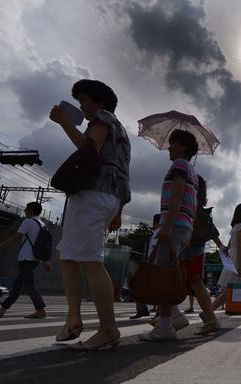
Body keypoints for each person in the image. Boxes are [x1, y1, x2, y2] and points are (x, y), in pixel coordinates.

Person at [48, 79, 131, 351]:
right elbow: (123, 174)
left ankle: (108, 328)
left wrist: (64, 122)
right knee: (68, 256)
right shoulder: (123, 135)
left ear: (101, 102)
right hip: (107, 196)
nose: (82, 105)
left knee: (91, 261)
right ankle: (73, 318)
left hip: (92, 194)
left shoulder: (103, 118)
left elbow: (89, 149)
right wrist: (118, 209)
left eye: (84, 99)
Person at [138, 129, 199, 342]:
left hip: (174, 225)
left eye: (173, 144)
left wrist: (167, 225)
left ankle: (165, 328)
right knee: (169, 272)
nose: (169, 148)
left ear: (183, 147)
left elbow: (177, 194)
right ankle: (175, 316)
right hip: (185, 226)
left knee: (163, 276)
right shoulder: (192, 171)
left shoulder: (179, 165)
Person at [179, 175, 225, 335]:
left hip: (186, 246)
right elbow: (212, 230)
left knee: (186, 280)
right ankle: (171, 315)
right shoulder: (200, 208)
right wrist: (220, 246)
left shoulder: (188, 202)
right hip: (197, 247)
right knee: (195, 282)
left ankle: (171, 316)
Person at [0, 202, 51, 319]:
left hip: (26, 259)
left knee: (30, 285)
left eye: (26, 208)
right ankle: (2, 310)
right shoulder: (42, 224)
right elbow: (41, 245)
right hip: (34, 259)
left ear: (32, 210)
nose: (25, 211)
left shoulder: (28, 222)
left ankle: (40, 310)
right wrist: (44, 260)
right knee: (17, 287)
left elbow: (15, 237)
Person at [130, 214, 161, 320]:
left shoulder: (159, 233)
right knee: (140, 284)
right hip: (152, 263)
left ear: (155, 222)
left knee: (144, 285)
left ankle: (151, 311)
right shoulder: (155, 233)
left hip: (155, 264)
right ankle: (142, 309)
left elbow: (157, 248)